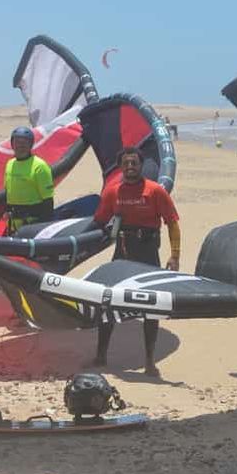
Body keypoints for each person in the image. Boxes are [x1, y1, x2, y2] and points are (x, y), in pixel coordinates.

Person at [90, 146, 181, 377]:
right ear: (121, 167)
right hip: (122, 252)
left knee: (151, 307)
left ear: (141, 166)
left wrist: (175, 255)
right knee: (108, 302)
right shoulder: (112, 192)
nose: (130, 167)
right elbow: (98, 221)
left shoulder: (155, 191)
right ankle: (101, 355)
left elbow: (172, 223)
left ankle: (150, 361)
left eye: (135, 163)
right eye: (126, 164)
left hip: (148, 253)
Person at [3, 126, 54, 234]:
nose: (21, 145)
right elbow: (8, 193)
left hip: (32, 225)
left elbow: (48, 202)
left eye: (25, 142)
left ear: (31, 144)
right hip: (13, 225)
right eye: (17, 142)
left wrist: (43, 228)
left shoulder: (40, 166)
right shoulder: (10, 164)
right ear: (12, 144)